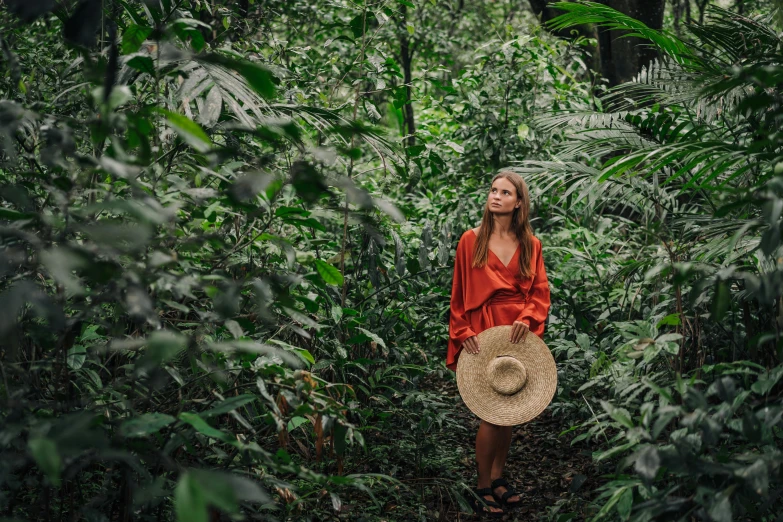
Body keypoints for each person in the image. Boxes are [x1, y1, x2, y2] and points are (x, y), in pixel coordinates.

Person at [447, 171, 551, 517]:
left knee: (509, 412)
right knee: (490, 414)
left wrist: (528, 317)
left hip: (517, 333)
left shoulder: (531, 244)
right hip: (482, 330)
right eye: (493, 190)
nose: (496, 196)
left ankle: (497, 476)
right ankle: (482, 484)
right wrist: (462, 330)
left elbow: (540, 291)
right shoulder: (471, 239)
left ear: (518, 202)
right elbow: (459, 291)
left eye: (505, 192)